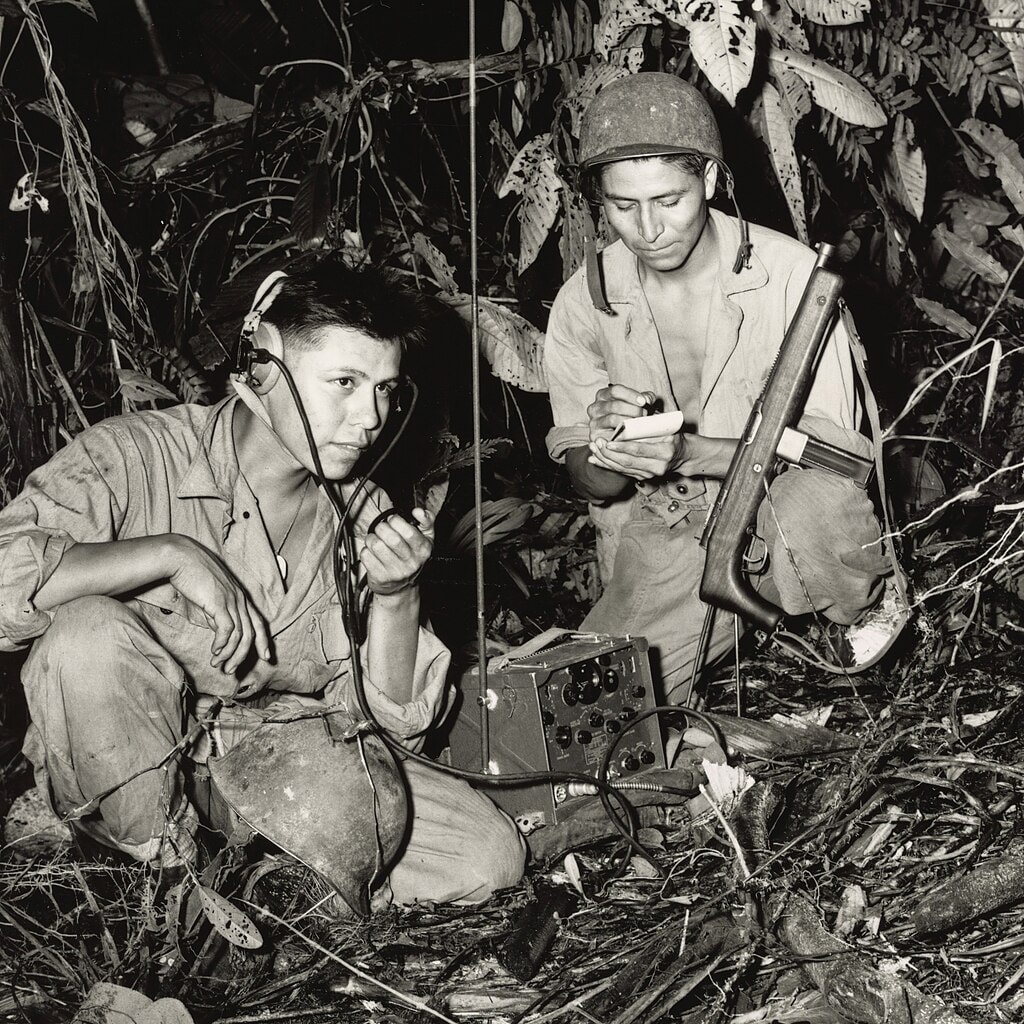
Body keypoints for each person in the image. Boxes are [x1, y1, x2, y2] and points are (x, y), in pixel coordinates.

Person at [0, 256, 525, 907]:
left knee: (486, 856)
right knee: (86, 633)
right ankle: (163, 883)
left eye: (386, 389)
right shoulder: (136, 457)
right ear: (264, 364)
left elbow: (388, 738)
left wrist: (398, 595)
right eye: (345, 382)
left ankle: (264, 881)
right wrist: (169, 554)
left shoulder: (363, 514)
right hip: (132, 756)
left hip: (279, 759)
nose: (370, 417)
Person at [544, 72, 895, 705]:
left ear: (708, 179)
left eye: (668, 200)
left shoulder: (793, 279)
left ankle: (849, 608)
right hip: (670, 525)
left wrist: (686, 452)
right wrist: (608, 451)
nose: (648, 228)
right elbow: (589, 484)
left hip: (781, 508)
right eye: (623, 206)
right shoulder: (583, 303)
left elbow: (838, 461)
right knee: (586, 704)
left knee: (814, 510)